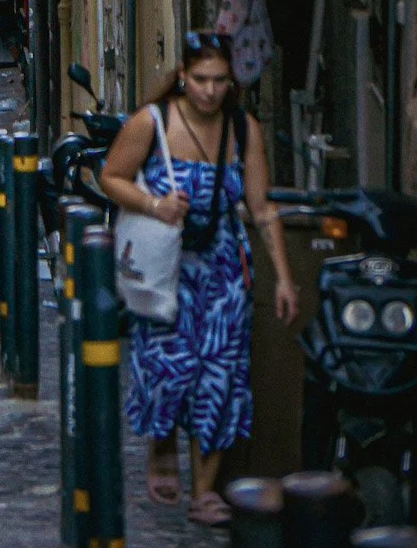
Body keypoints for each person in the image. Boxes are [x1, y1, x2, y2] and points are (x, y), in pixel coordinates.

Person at [100, 30, 299, 526]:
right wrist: (154, 204)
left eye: (221, 81)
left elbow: (261, 208)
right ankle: (161, 448)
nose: (210, 91)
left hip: (222, 270)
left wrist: (283, 278)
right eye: (201, 80)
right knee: (167, 370)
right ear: (183, 77)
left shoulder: (242, 129)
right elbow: (110, 176)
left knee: (220, 375)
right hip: (164, 271)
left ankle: (205, 489)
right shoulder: (153, 122)